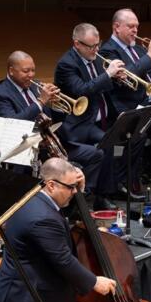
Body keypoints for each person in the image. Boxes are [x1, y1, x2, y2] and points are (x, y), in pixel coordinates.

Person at [0, 157, 115, 302]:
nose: (74, 191)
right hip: (26, 299)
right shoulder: (43, 219)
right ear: (51, 185)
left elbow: (60, 214)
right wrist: (94, 282)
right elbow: (62, 259)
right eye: (71, 187)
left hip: (22, 289)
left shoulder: (32, 197)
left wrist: (80, 189)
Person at [54, 23, 127, 210]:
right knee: (99, 151)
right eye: (91, 46)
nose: (96, 50)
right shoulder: (66, 64)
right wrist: (108, 74)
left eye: (98, 45)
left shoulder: (93, 58)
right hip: (73, 126)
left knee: (111, 142)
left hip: (89, 121)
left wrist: (116, 78)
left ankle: (103, 195)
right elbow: (82, 90)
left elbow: (100, 85)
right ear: (77, 44)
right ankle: (85, 196)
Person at [97, 8, 151, 200]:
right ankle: (125, 184)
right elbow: (128, 75)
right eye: (131, 26)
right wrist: (150, 54)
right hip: (123, 106)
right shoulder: (107, 50)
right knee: (138, 135)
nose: (135, 30)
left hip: (145, 104)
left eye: (137, 26)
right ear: (116, 27)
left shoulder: (137, 48)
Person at [0, 50, 59, 122]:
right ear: (11, 71)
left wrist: (54, 104)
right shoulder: (0, 94)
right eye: (26, 71)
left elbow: (57, 119)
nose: (31, 75)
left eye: (33, 70)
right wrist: (40, 102)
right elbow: (10, 123)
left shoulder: (36, 85)